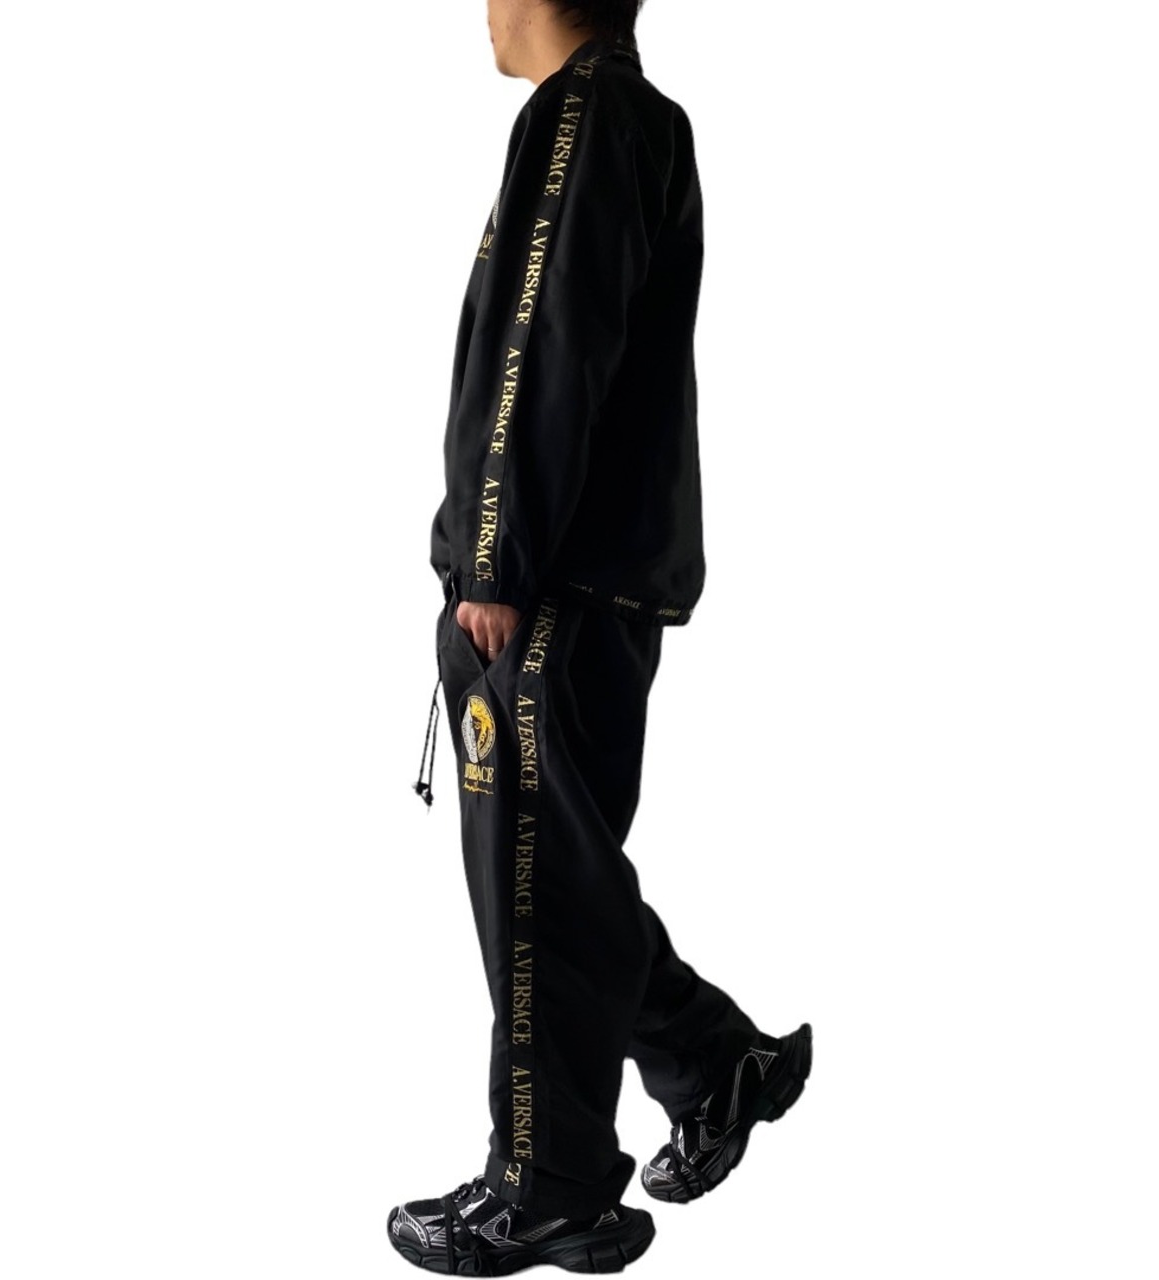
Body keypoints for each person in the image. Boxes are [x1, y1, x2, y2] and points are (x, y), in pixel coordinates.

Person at [399, 1, 811, 1271]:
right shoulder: (622, 121)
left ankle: (551, 1180)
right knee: (562, 880)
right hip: (580, 581)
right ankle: (712, 1060)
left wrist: (494, 560)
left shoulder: (584, 119)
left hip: (550, 587)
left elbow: (543, 345)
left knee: (531, 889)